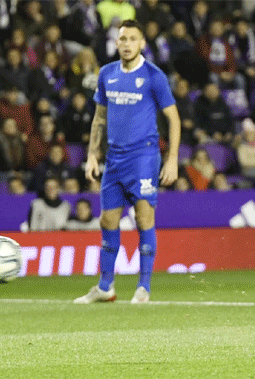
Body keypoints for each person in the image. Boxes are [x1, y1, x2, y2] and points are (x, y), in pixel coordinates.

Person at [74, 19, 180, 304]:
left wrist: (172, 160)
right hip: (114, 158)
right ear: (117, 42)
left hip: (144, 156)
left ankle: (143, 287)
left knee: (144, 218)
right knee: (108, 219)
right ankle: (105, 286)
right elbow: (99, 118)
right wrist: (92, 155)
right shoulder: (107, 73)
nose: (127, 44)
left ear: (142, 43)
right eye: (123, 39)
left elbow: (173, 117)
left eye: (133, 38)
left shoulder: (154, 76)